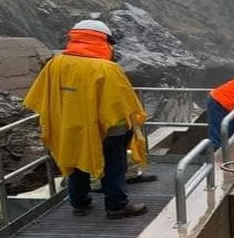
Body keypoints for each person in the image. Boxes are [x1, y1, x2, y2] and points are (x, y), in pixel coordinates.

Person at [24, 20, 149, 219]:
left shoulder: (56, 63)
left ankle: (79, 204)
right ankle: (116, 206)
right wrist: (130, 127)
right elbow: (122, 102)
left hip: (69, 125)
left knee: (75, 163)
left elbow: (41, 96)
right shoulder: (106, 68)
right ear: (104, 41)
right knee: (113, 167)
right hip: (108, 129)